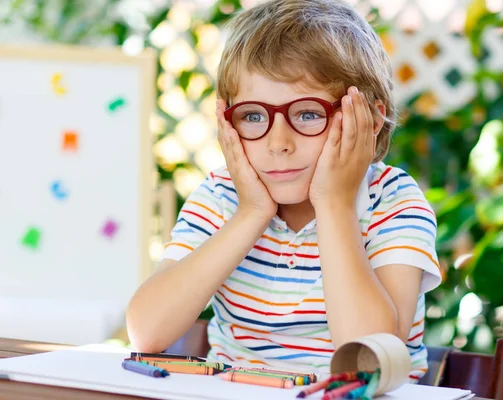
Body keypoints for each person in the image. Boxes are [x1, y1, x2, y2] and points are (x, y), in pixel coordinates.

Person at [126, 0, 441, 382]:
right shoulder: (221, 197)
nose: (278, 143)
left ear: (370, 120)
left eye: (308, 114)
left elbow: (369, 359)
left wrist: (335, 205)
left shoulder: (391, 201)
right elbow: (147, 332)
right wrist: (251, 213)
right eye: (253, 116)